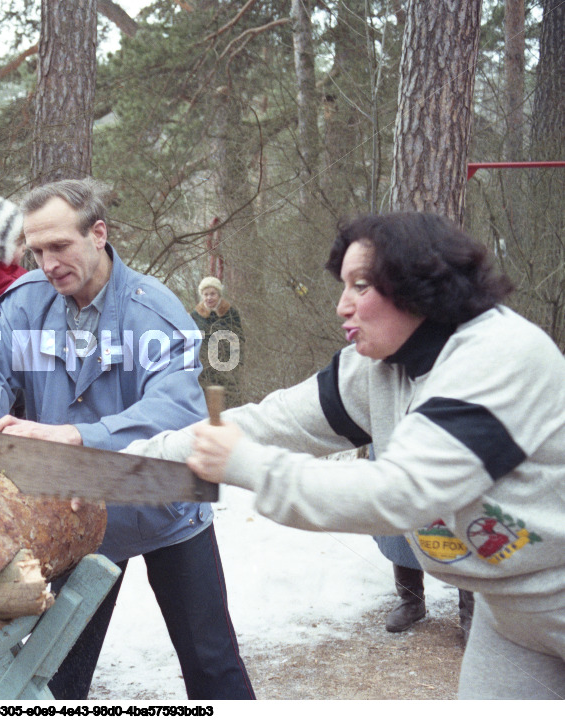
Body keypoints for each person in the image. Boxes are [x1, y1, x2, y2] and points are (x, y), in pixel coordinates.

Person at [131, 212, 565, 700]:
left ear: (419, 281)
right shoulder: (380, 367)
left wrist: (247, 464)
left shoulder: (498, 358)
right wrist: (137, 461)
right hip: (511, 619)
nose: (342, 306)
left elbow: (400, 494)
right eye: (343, 286)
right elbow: (272, 423)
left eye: (361, 286)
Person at [0, 178, 254, 700]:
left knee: (213, 665)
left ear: (98, 233)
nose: (47, 263)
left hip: (163, 512)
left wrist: (80, 436)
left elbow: (176, 408)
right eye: (37, 250)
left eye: (60, 246)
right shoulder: (24, 302)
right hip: (72, 516)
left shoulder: (155, 311)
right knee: (51, 674)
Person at [192, 275, 245, 407]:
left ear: (219, 294)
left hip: (227, 368)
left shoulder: (231, 313)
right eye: (206, 294)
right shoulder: (195, 316)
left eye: (212, 294)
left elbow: (240, 339)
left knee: (230, 404)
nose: (209, 298)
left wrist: (238, 362)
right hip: (204, 371)